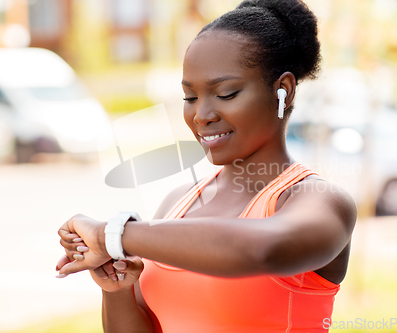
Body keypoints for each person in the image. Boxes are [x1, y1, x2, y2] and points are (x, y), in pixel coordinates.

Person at [56, 0, 357, 332]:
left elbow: (259, 250)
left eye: (226, 93)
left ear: (282, 90)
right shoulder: (178, 203)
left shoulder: (320, 202)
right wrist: (117, 289)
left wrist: (112, 235)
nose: (201, 115)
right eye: (190, 97)